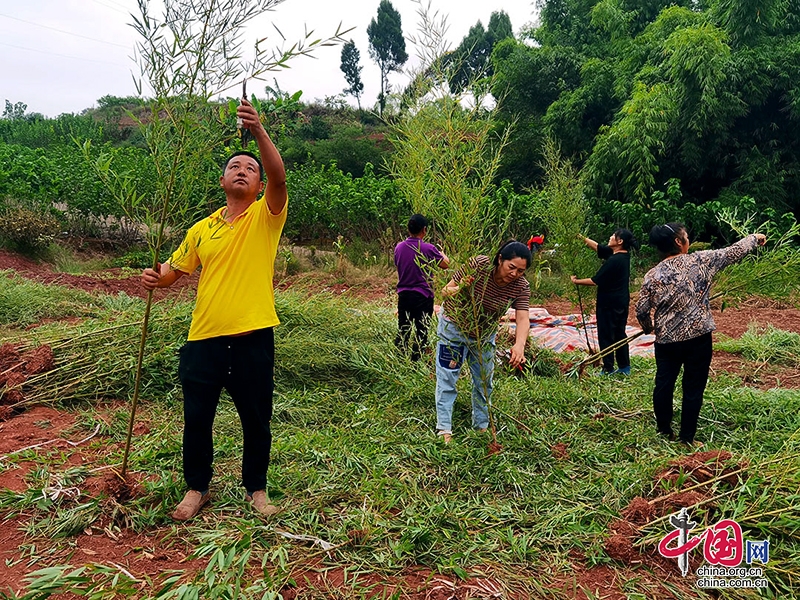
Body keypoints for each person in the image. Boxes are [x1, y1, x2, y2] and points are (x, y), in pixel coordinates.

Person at [141, 98, 287, 520]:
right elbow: (175, 269)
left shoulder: (266, 216)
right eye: (234, 167)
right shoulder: (202, 228)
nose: (243, 170)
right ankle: (196, 489)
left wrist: (258, 130)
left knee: (256, 420)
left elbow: (279, 176)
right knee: (197, 418)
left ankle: (256, 491)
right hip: (202, 339)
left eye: (251, 168)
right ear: (222, 179)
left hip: (252, 339)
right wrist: (157, 276)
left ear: (259, 185)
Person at [635, 223, 766, 446]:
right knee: (693, 387)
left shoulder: (652, 275)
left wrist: (649, 327)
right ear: (678, 242)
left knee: (664, 384)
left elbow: (641, 309)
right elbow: (733, 252)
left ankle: (664, 429)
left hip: (667, 340)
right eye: (685, 236)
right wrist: (754, 238)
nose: (688, 239)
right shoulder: (700, 260)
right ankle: (687, 438)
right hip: (698, 338)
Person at [435, 241, 532, 443]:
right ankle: (444, 428)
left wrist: (519, 344)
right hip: (454, 327)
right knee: (448, 378)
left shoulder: (521, 287)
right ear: (500, 259)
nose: (514, 274)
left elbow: (523, 318)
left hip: (484, 335)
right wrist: (462, 287)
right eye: (511, 267)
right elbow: (445, 291)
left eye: (521, 271)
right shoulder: (479, 265)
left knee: (484, 382)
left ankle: (481, 426)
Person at [572, 229, 640, 375]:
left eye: (613, 236)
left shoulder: (613, 261)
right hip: (621, 301)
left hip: (608, 303)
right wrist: (581, 238)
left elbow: (595, 280)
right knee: (619, 333)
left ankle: (607, 368)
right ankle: (624, 367)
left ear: (619, 241)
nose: (610, 237)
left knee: (606, 334)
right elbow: (599, 247)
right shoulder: (622, 256)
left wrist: (576, 281)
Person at [394, 214, 450, 361]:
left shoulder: (399, 247)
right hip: (423, 296)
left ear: (408, 228)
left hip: (404, 295)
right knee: (421, 330)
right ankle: (416, 361)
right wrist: (442, 253)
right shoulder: (428, 248)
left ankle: (399, 359)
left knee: (403, 328)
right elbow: (445, 264)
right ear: (424, 230)